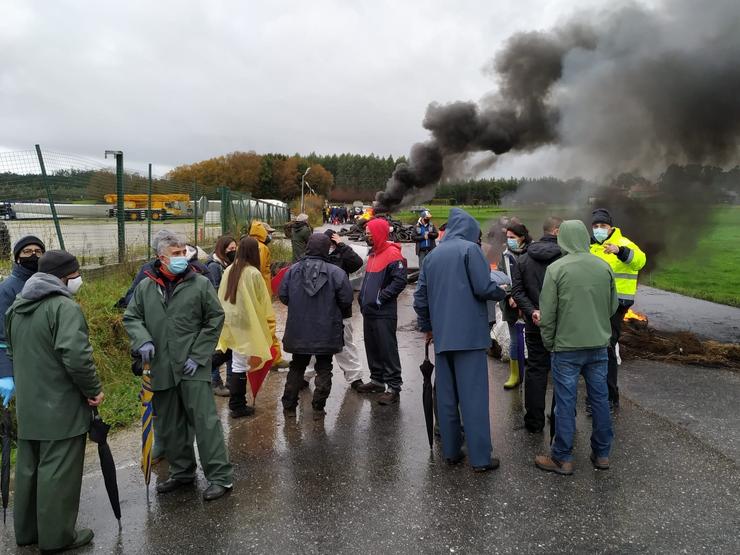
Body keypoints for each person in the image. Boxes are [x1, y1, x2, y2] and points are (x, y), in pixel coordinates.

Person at [123, 230, 233, 501]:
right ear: (161, 257)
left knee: (205, 423)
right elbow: (132, 316)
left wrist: (199, 355)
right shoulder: (146, 286)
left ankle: (220, 477)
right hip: (161, 366)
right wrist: (143, 340)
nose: (183, 257)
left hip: (191, 367)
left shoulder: (199, 283)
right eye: (176, 253)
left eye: (184, 252)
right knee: (171, 425)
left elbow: (214, 319)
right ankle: (182, 473)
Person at [6, 250, 103, 552]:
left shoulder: (17, 307)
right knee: (58, 472)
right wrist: (93, 390)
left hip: (29, 404)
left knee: (28, 469)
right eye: (75, 273)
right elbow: (76, 357)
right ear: (64, 276)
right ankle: (58, 537)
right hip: (60, 406)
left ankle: (26, 532)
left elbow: (11, 351)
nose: (77, 279)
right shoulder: (63, 308)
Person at [413, 208, 507, 472]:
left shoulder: (432, 256)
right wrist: (502, 292)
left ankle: (452, 453)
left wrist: (428, 326)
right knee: (473, 399)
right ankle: (480, 459)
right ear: (469, 231)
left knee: (446, 396)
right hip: (470, 338)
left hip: (443, 337)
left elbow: (420, 297)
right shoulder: (470, 250)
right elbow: (482, 286)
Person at [535, 220, 618, 475]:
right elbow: (613, 306)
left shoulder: (556, 269)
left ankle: (562, 457)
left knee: (565, 402)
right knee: (600, 400)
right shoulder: (603, 267)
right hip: (598, 346)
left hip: (566, 348)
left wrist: (550, 343)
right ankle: (602, 454)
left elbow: (547, 314)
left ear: (563, 240)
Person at [279, 233, 353, 418]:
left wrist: (299, 306)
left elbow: (283, 295)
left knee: (297, 366)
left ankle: (289, 407)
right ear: (327, 248)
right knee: (324, 367)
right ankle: (318, 408)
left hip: (299, 329)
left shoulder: (293, 270)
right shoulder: (337, 273)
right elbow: (346, 300)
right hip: (326, 329)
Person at [589, 208, 647, 410]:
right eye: (595, 226)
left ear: (610, 227)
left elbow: (640, 261)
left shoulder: (624, 243)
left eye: (602, 226)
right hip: (595, 303)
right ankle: (598, 394)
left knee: (605, 346)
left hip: (617, 303)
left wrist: (620, 252)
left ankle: (608, 397)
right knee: (595, 347)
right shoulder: (590, 246)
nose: (598, 230)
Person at [511, 217, 563, 432]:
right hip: (561, 324)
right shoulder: (565, 257)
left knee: (535, 370)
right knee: (562, 370)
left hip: (535, 324)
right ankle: (559, 418)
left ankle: (534, 421)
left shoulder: (523, 258)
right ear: (557, 231)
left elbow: (517, 291)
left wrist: (533, 311)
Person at [217, 236, 274, 418]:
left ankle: (236, 403)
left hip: (230, 320)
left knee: (232, 356)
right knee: (239, 364)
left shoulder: (229, 269)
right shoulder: (253, 273)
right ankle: (237, 405)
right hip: (245, 322)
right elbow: (262, 301)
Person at [355, 218, 407, 404]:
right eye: (366, 233)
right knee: (373, 347)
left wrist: (380, 298)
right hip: (369, 310)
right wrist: (363, 299)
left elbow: (400, 281)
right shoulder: (373, 254)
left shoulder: (393, 254)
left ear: (378, 234)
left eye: (369, 234)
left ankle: (393, 387)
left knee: (387, 349)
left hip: (383, 311)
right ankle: (377, 380)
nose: (366, 236)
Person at [0, 235, 46, 408]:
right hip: (21, 364)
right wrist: (5, 372)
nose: (33, 255)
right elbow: (1, 336)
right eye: (27, 251)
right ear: (18, 257)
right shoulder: (7, 290)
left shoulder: (48, 284)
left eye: (38, 251)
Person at [324, 229, 366, 389]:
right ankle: (306, 376)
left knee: (345, 343)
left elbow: (357, 263)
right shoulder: (316, 254)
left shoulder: (342, 254)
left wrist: (342, 245)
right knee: (314, 345)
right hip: (320, 308)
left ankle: (355, 378)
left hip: (341, 308)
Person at [249, 220, 289, 369]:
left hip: (258, 293)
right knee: (268, 326)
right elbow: (257, 271)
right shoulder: (261, 248)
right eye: (269, 233)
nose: (271, 235)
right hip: (261, 294)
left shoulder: (250, 245)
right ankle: (274, 360)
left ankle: (265, 359)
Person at [500, 222, 532, 389]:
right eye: (507, 238)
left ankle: (534, 373)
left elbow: (534, 279)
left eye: (512, 238)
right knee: (514, 340)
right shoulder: (505, 256)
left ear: (522, 238)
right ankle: (514, 374)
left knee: (533, 340)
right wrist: (510, 295)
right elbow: (501, 278)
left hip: (530, 304)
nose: (509, 241)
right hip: (511, 305)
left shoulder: (533, 253)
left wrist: (522, 299)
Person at [206, 235, 237, 396]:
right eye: (230, 249)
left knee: (230, 348)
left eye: (235, 248)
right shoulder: (214, 266)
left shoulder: (228, 263)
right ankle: (215, 382)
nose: (234, 251)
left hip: (228, 313)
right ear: (222, 249)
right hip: (218, 314)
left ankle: (231, 382)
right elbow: (215, 290)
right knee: (219, 349)